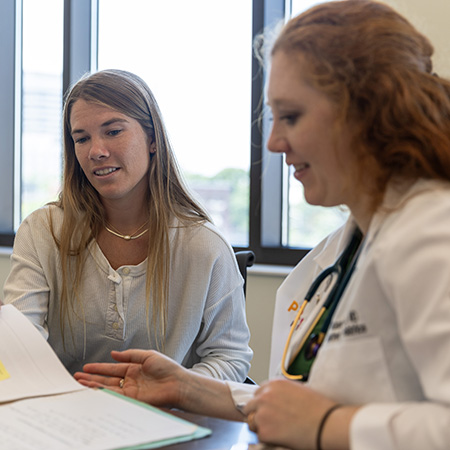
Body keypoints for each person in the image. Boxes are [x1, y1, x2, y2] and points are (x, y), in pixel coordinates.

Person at [75, 1, 450, 449]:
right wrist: (188, 387)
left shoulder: (431, 234)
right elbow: (299, 401)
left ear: (367, 110)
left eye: (291, 116)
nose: (274, 143)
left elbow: (321, 415)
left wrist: (328, 426)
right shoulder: (335, 254)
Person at [3, 69, 253, 380]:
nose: (96, 151)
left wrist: (169, 389)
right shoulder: (44, 231)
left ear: (152, 139)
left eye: (113, 131)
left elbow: (230, 358)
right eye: (82, 138)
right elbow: (18, 347)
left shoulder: (204, 245)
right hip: (64, 414)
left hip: (166, 416)